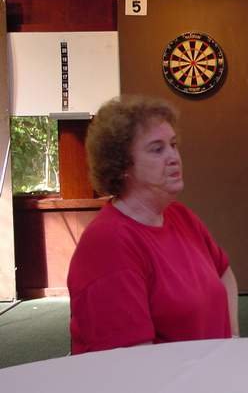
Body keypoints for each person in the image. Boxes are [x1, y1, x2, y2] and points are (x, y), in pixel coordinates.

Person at [67, 96, 239, 354]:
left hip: (210, 368)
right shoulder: (108, 243)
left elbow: (224, 273)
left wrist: (233, 338)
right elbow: (133, 362)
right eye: (157, 149)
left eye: (173, 145)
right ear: (122, 166)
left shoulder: (179, 215)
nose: (174, 157)